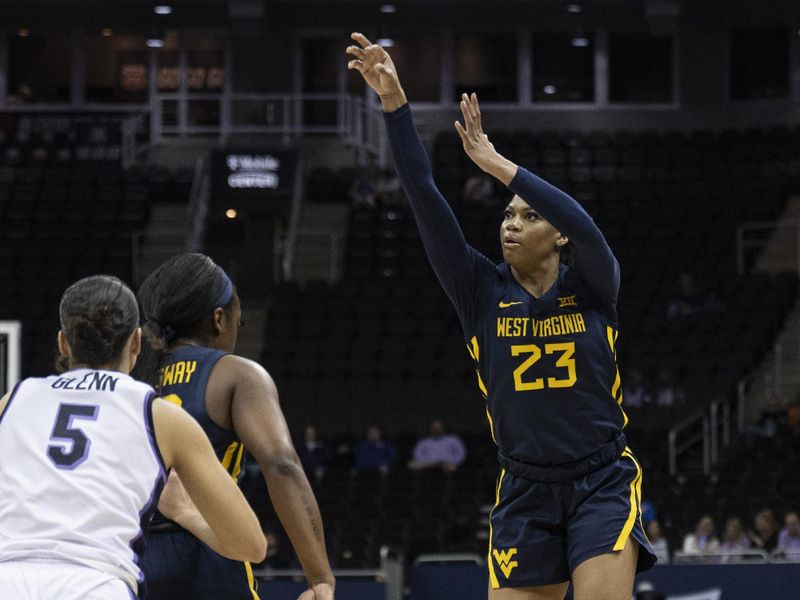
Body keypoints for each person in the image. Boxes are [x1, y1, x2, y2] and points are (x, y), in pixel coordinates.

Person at [347, 32, 656, 600]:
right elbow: (424, 196)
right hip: (524, 486)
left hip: (601, 481)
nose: (510, 223)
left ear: (556, 235)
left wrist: (499, 165)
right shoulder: (479, 288)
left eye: (528, 215)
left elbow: (586, 225)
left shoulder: (592, 285)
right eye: (507, 215)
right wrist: (394, 105)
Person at [0, 275, 266, 599]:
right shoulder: (158, 414)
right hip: (96, 584)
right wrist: (184, 512)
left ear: (63, 343)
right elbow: (250, 544)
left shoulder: (12, 401)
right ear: (137, 342)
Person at [132, 254, 334, 600]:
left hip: (136, 554)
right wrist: (320, 578)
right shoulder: (236, 374)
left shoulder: (132, 376)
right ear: (219, 319)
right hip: (211, 545)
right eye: (238, 324)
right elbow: (281, 463)